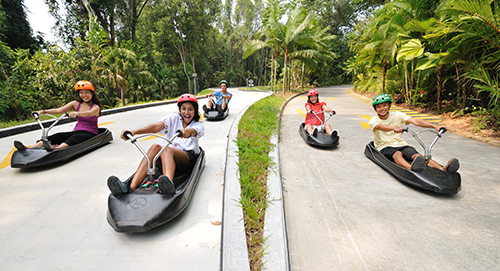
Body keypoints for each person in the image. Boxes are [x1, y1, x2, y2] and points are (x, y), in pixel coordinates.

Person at [107, 94, 205, 196]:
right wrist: (134, 132)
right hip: (164, 156)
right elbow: (156, 127)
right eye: (183, 109)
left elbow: (194, 132)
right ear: (180, 109)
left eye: (190, 109)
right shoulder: (173, 118)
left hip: (186, 158)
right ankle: (130, 187)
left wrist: (188, 132)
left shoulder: (198, 125)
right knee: (155, 147)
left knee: (166, 149)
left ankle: (168, 185)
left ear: (195, 110)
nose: (187, 112)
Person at [369, 94, 459, 172]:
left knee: (417, 156)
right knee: (397, 154)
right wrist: (393, 128)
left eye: (384, 105)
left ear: (389, 105)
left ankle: (443, 169)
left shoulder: (397, 115)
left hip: (400, 144)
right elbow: (380, 127)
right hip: (384, 146)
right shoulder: (374, 120)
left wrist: (435, 126)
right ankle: (410, 168)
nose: (382, 109)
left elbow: (415, 121)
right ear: (375, 109)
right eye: (379, 107)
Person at [13, 80, 102, 152]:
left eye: (86, 92)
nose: (84, 95)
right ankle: (28, 148)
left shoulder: (95, 107)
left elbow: (89, 113)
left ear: (92, 93)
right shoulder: (76, 104)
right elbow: (59, 110)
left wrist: (77, 113)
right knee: (57, 136)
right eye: (81, 93)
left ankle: (56, 149)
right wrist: (42, 112)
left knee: (75, 138)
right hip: (76, 131)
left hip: (90, 133)